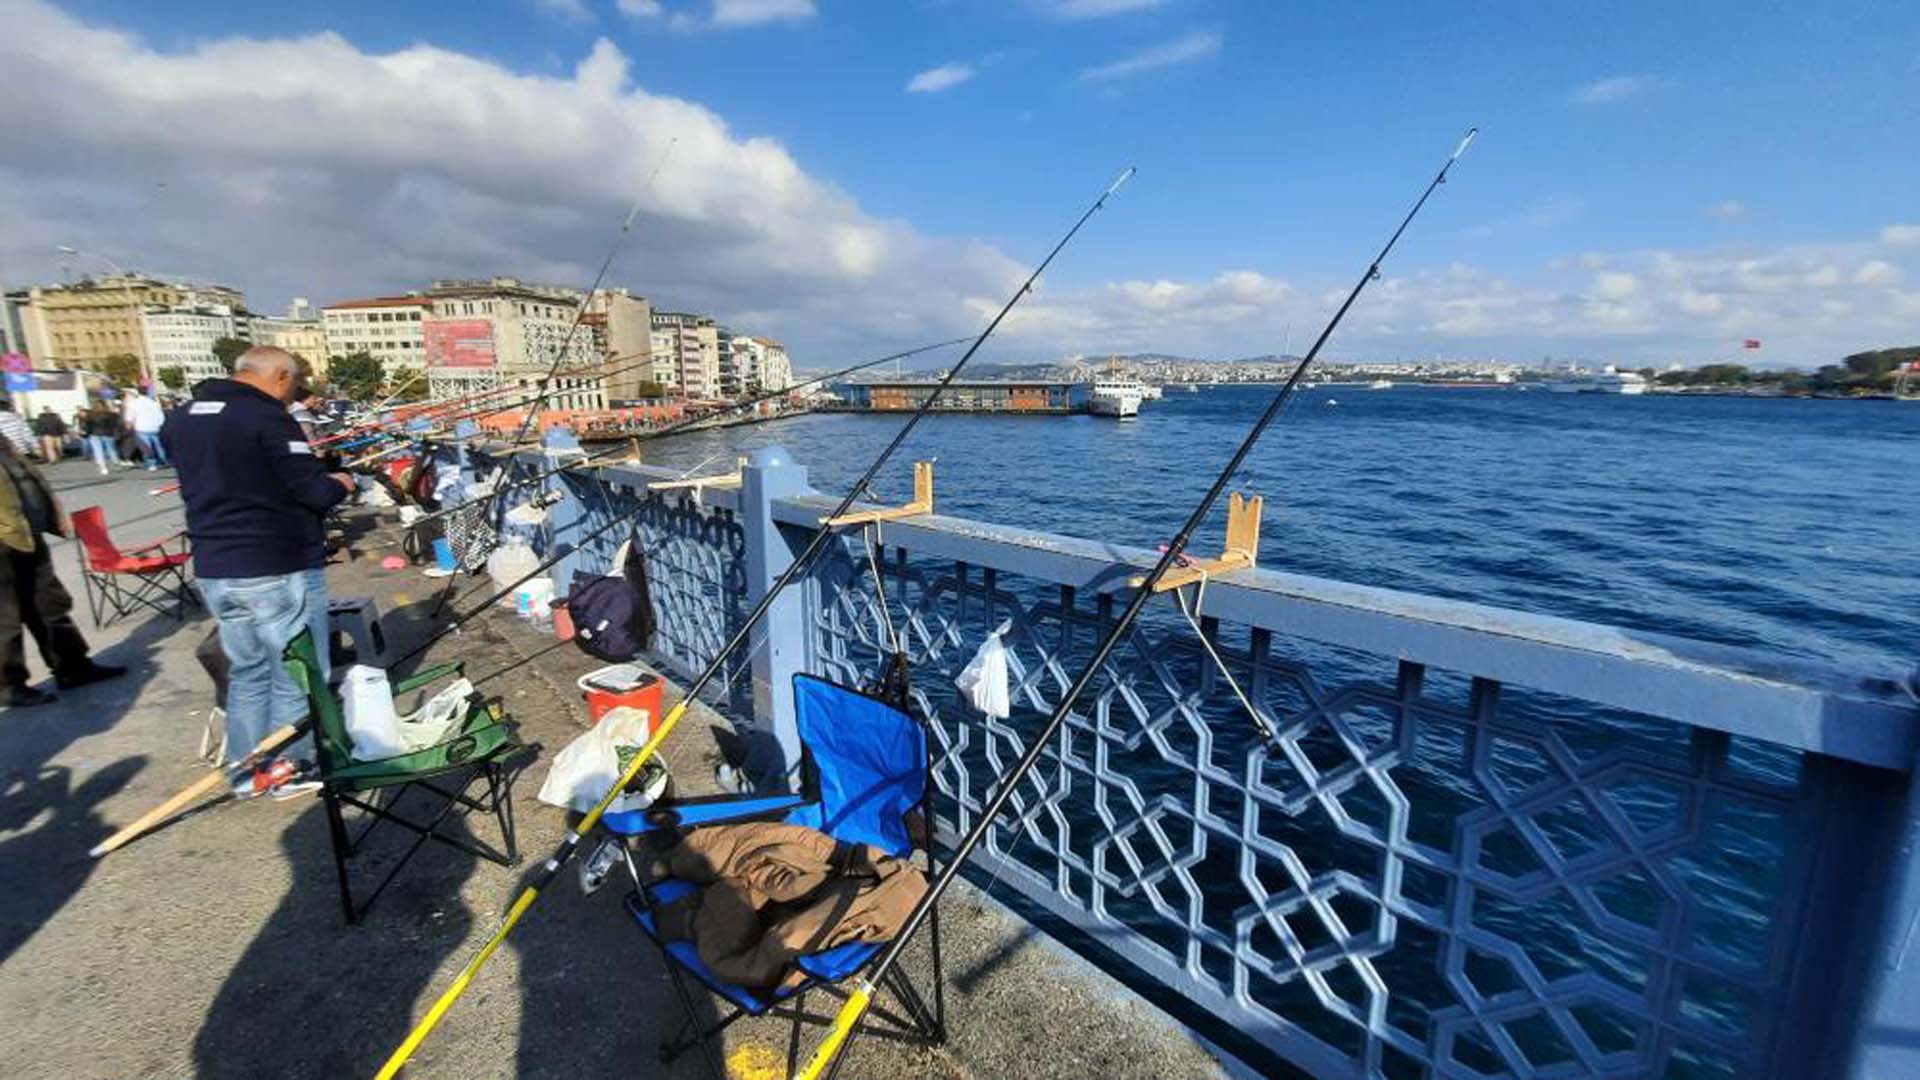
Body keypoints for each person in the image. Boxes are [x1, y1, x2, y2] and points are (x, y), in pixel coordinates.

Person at [163, 347, 353, 796]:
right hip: (274, 562)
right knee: (296, 673)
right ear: (281, 376)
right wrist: (340, 483)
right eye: (294, 385)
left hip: (215, 566)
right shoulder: (267, 418)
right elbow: (313, 492)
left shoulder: (183, 417)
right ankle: (290, 770)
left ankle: (246, 775)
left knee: (247, 673)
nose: (292, 395)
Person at [0, 438, 124, 706]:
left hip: (28, 536)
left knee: (51, 603)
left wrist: (52, 514)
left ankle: (73, 666)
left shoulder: (4, 443)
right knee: (6, 616)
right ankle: (9, 686)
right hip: (4, 544)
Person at [125, 388, 168, 471]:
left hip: (141, 428)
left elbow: (130, 416)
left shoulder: (133, 403)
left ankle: (152, 464)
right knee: (159, 445)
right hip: (155, 427)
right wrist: (161, 425)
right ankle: (163, 460)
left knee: (146, 447)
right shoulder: (153, 402)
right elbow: (160, 415)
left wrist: (128, 426)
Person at [81, 402, 124, 475]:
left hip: (94, 435)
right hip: (108, 434)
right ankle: (116, 464)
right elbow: (115, 425)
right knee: (111, 450)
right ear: (105, 406)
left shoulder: (90, 415)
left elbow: (87, 426)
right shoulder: (111, 414)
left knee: (98, 451)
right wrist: (116, 433)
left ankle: (103, 468)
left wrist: (86, 434)